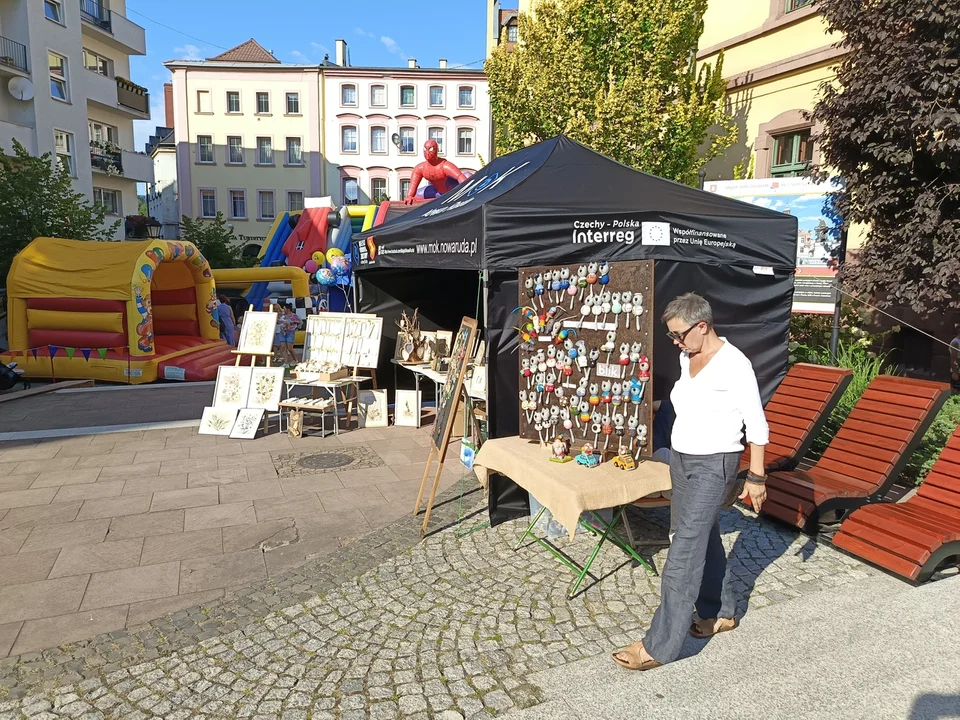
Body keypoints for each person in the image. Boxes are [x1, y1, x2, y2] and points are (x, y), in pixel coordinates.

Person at [612, 292, 769, 671]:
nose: (676, 343)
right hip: (682, 461)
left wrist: (758, 477)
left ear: (703, 325)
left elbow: (758, 426)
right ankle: (723, 611)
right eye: (672, 337)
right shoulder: (687, 357)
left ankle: (660, 645)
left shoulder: (735, 365)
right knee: (700, 534)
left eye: (680, 335)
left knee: (683, 550)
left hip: (714, 465)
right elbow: (688, 405)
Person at [950, 324, 960, 393]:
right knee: (956, 391)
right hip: (958, 370)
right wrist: (955, 372)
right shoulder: (955, 343)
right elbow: (954, 359)